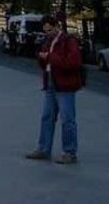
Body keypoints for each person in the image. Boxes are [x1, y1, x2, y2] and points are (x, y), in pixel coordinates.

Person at [25, 16, 83, 164]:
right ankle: (44, 149)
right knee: (46, 117)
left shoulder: (69, 40)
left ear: (57, 26)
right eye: (45, 31)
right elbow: (45, 63)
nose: (47, 33)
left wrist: (49, 57)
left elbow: (73, 62)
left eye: (49, 30)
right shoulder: (48, 41)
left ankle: (69, 152)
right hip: (51, 83)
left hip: (65, 85)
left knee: (67, 119)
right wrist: (41, 57)